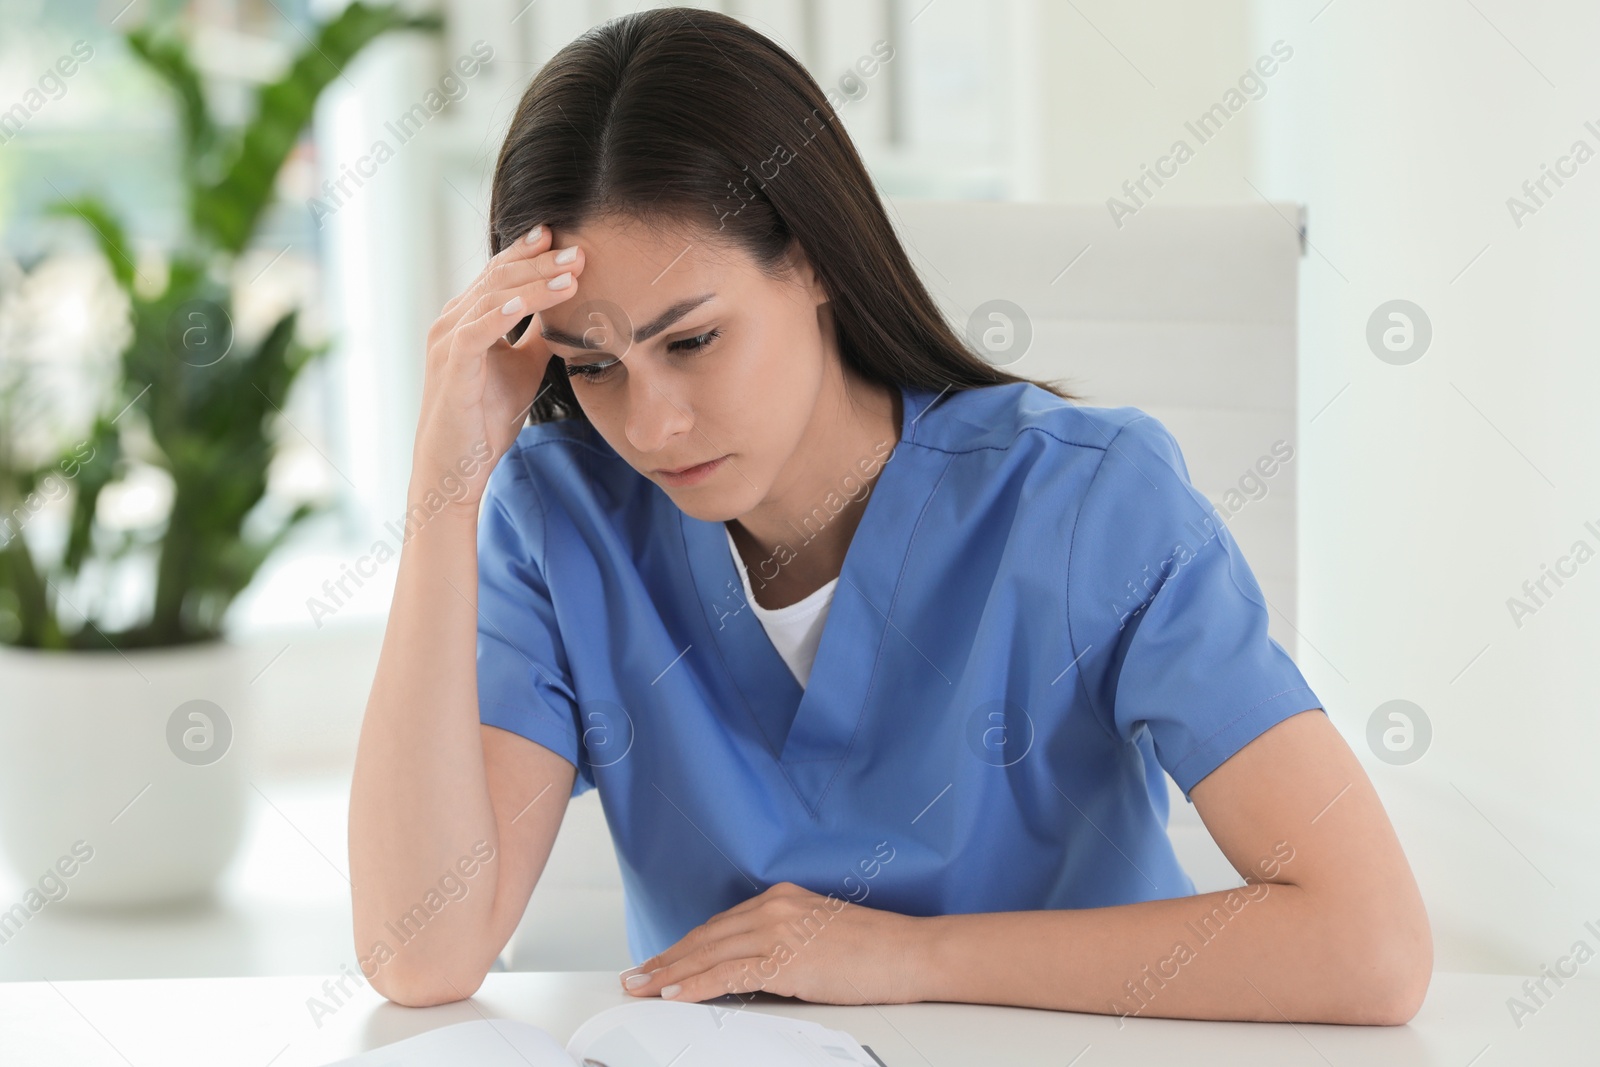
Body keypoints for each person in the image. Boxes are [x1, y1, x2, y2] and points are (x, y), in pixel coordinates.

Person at [348, 7, 1431, 1025]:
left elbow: (1368, 943)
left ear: (810, 257)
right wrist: (444, 485)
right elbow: (420, 952)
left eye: (690, 341)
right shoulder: (560, 515)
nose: (652, 423)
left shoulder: (1088, 497)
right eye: (592, 364)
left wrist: (906, 957)